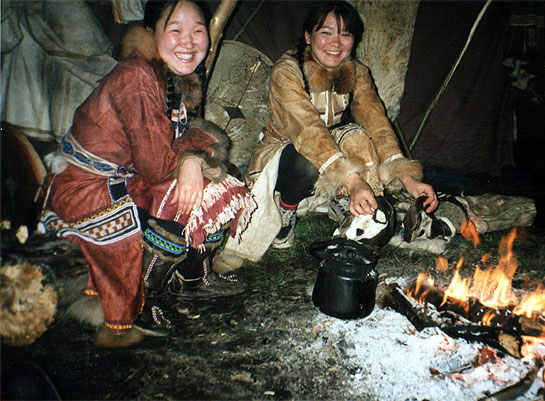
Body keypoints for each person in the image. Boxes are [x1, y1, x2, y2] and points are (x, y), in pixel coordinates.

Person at [40, 0, 256, 348]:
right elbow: (157, 166)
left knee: (220, 180)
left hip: (123, 176)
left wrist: (193, 155)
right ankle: (140, 302)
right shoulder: (137, 76)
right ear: (152, 32)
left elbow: (171, 146)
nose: (188, 42)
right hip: (85, 188)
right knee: (188, 193)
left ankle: (194, 277)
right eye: (175, 29)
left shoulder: (171, 75)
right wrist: (194, 153)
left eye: (198, 30)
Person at [219, 1, 437, 263]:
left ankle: (344, 199)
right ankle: (286, 207)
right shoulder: (287, 71)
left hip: (333, 150)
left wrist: (407, 178)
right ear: (308, 36)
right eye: (326, 32)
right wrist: (353, 181)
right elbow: (308, 132)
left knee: (357, 135)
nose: (336, 43)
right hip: (288, 153)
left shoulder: (357, 72)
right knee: (306, 163)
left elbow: (377, 122)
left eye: (345, 34)